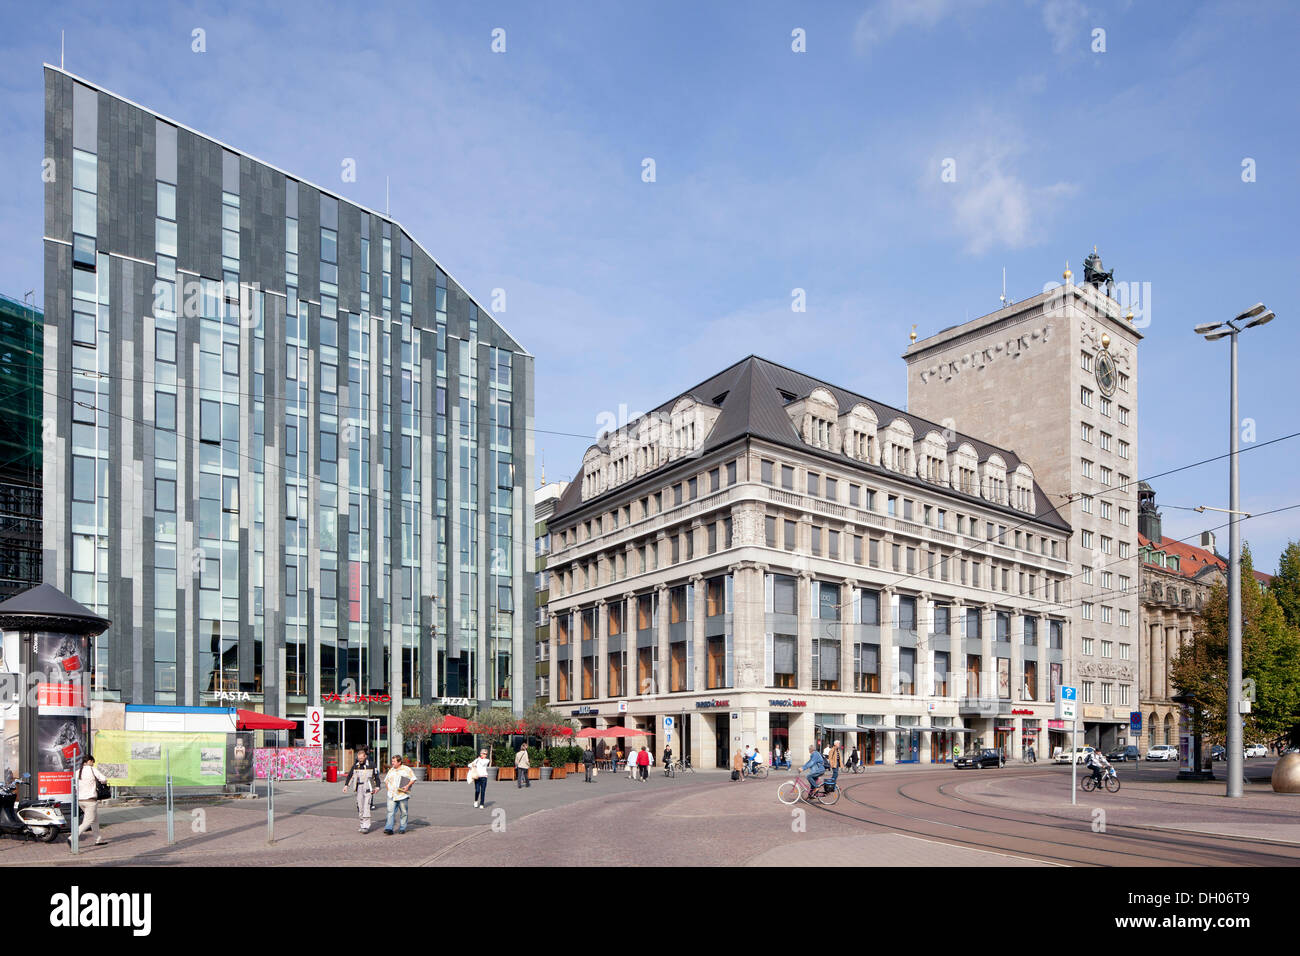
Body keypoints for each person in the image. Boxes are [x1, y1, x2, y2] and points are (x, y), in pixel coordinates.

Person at [341, 745, 382, 833]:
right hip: (359, 787)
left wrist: (377, 786)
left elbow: (376, 776)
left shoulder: (371, 764)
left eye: (361, 758)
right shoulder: (356, 765)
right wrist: (346, 786)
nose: (360, 760)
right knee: (360, 806)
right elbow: (350, 775)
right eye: (359, 758)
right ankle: (362, 824)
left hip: (368, 787)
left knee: (366, 806)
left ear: (365, 757)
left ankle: (366, 826)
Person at [71, 757, 108, 846]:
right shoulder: (92, 769)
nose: (93, 764)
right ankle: (72, 837)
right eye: (92, 762)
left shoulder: (77, 772)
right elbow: (103, 779)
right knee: (88, 821)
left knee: (94, 819)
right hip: (90, 800)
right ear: (89, 761)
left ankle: (98, 839)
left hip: (80, 800)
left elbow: (74, 785)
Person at [383, 755, 415, 835]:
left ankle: (402, 828)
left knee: (404, 812)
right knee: (390, 812)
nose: (392, 763)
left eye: (394, 761)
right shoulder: (391, 770)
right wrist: (389, 789)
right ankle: (389, 828)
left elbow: (413, 778)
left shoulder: (406, 769)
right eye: (392, 761)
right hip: (392, 795)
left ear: (399, 762)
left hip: (402, 795)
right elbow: (386, 780)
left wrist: (407, 786)